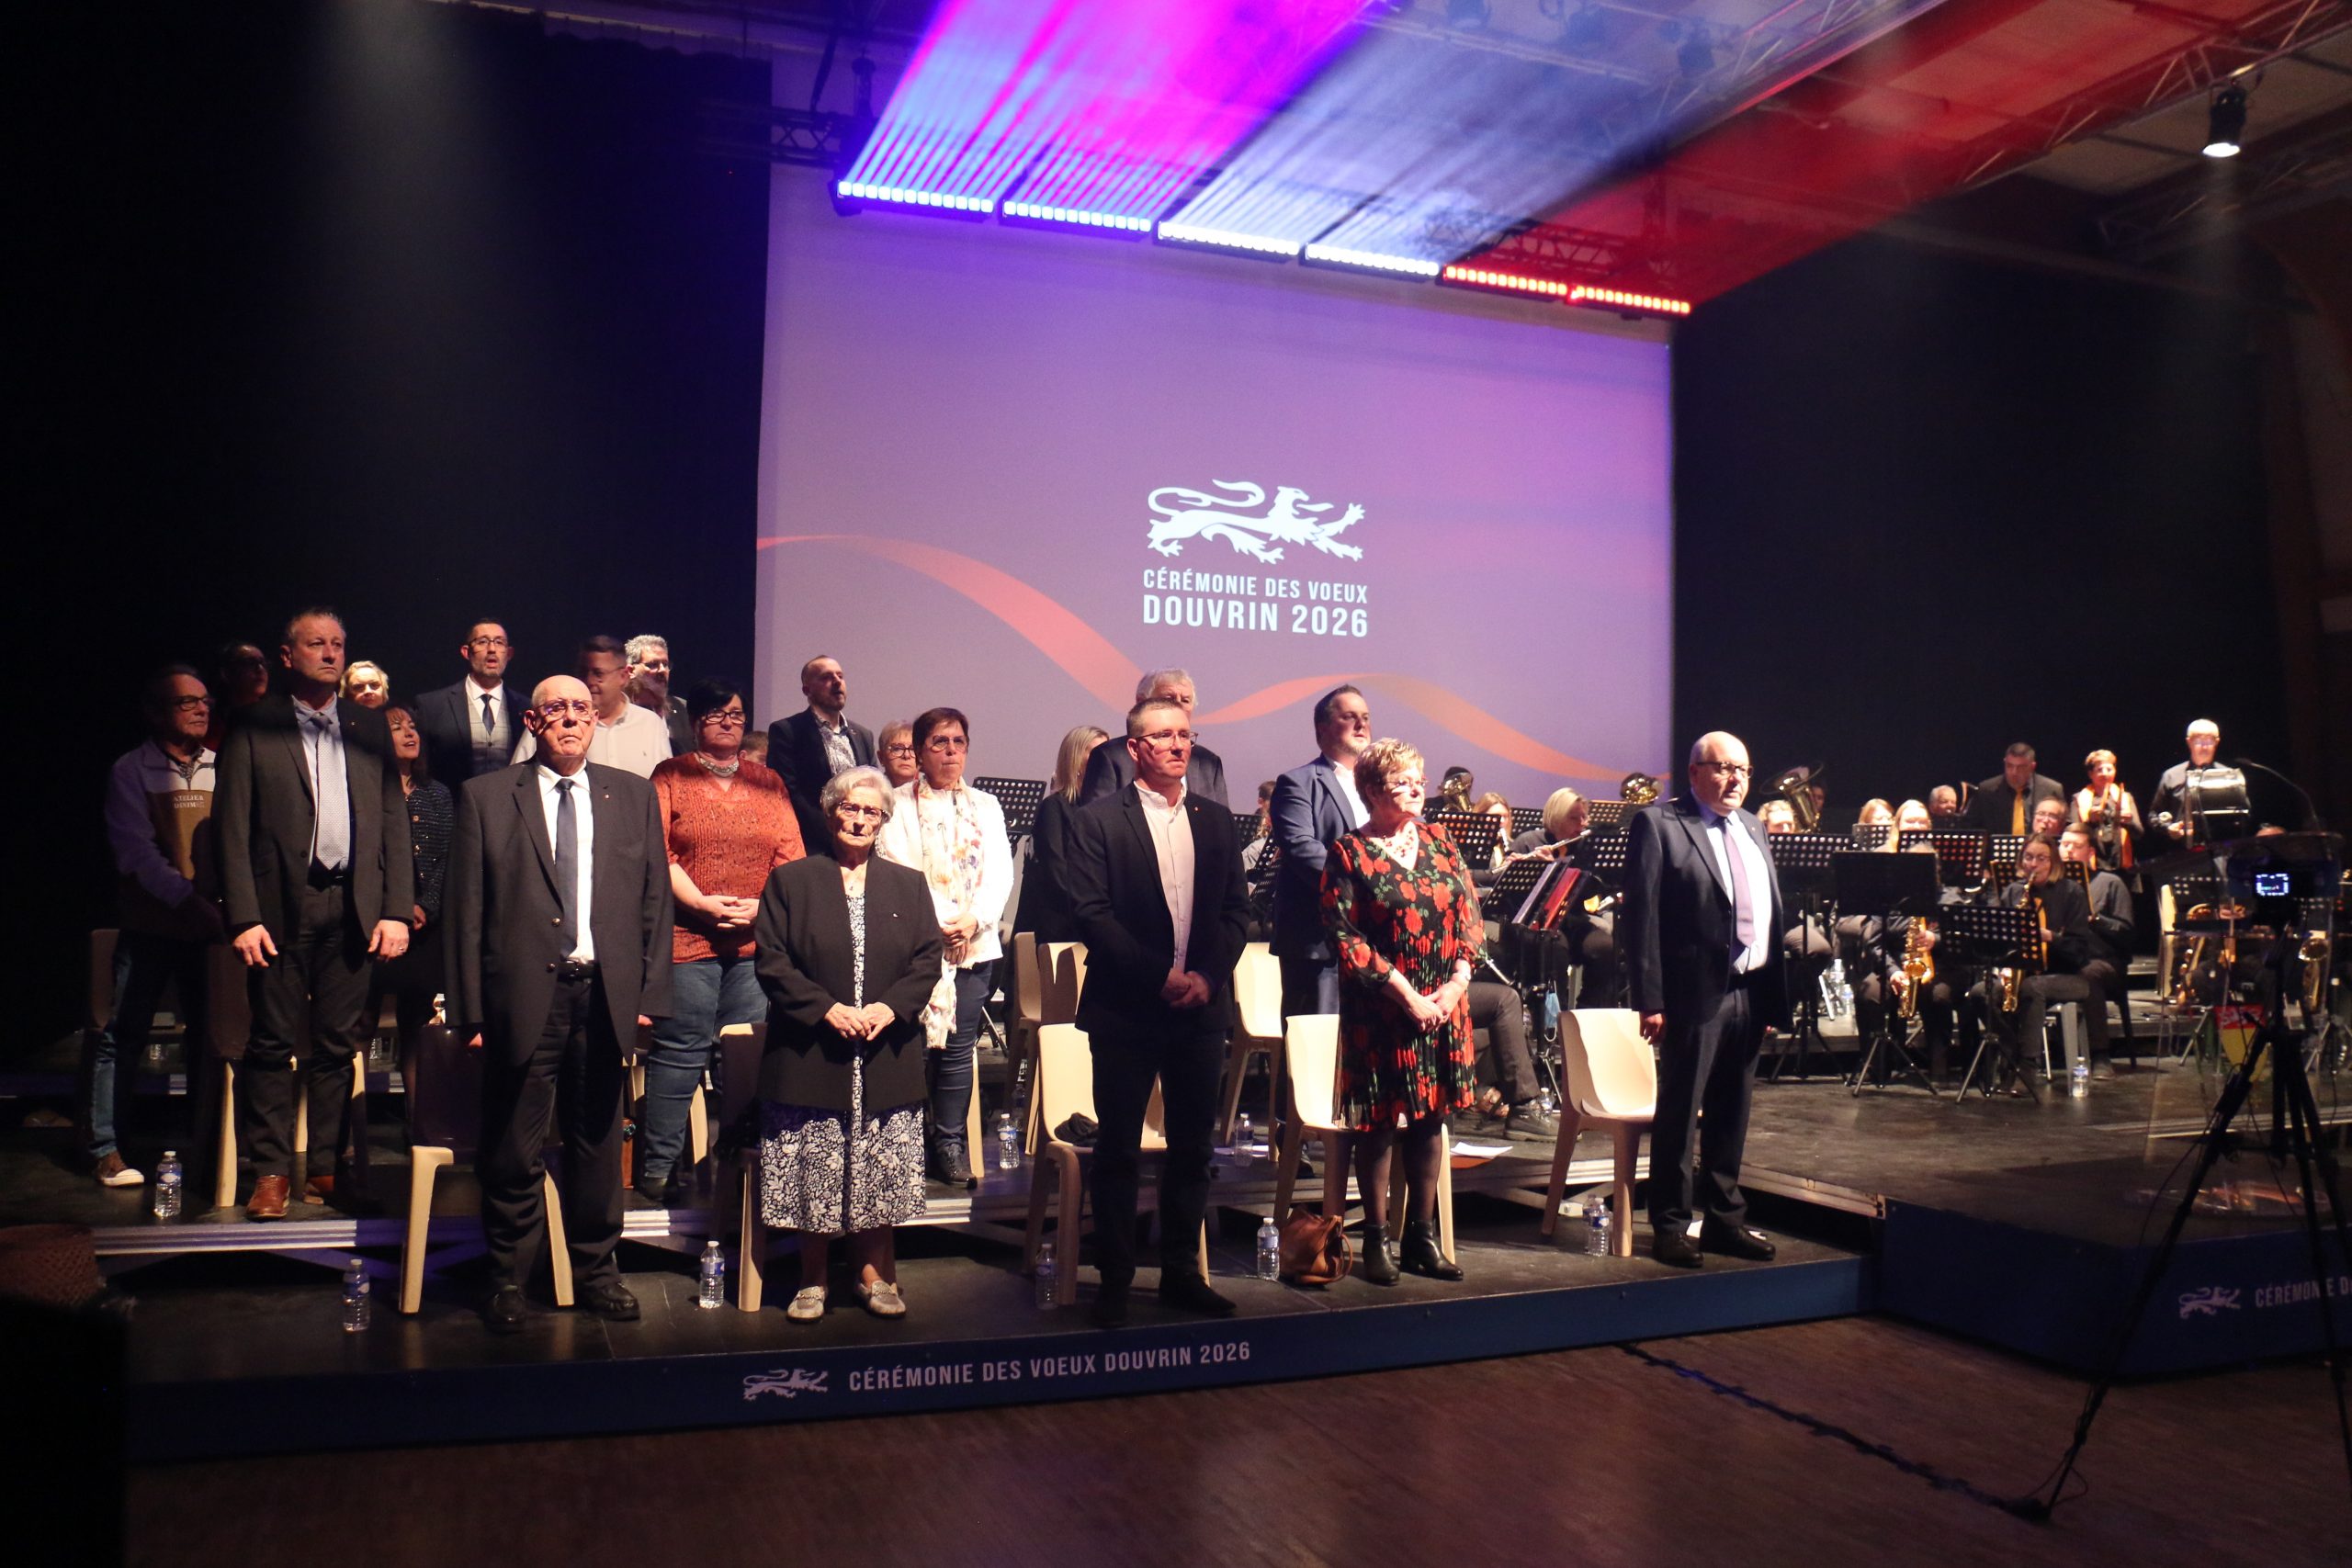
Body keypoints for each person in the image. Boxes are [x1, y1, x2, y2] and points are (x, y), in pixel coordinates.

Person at [446, 674, 673, 1333]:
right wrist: (471, 1012)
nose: (571, 718)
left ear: (595, 720)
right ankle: (506, 1277)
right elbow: (465, 912)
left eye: (581, 708)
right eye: (556, 709)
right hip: (521, 998)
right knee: (513, 1145)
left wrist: (648, 994)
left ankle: (597, 1271)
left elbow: (654, 900)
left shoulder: (632, 795)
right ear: (533, 721)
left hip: (604, 993)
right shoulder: (487, 796)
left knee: (597, 1140)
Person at [215, 609, 412, 1220]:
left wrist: (395, 909)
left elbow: (392, 820)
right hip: (280, 906)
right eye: (316, 644)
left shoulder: (366, 724)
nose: (330, 654)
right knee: (272, 1043)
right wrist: (242, 916)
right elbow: (231, 825)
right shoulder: (256, 723)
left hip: (351, 905)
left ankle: (326, 1168)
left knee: (336, 1045)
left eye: (338, 645)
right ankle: (271, 1172)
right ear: (287, 655)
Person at [1065, 695, 1250, 1326]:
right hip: (1127, 1009)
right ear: (1135, 748)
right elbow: (1092, 915)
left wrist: (1205, 977)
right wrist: (1159, 976)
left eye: (1185, 735)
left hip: (1199, 1009)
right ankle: (1115, 1280)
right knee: (1118, 1149)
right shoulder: (1098, 821)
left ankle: (1181, 1274)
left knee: (1193, 1149)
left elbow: (1236, 913)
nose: (1178, 745)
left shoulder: (1216, 820)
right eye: (1164, 736)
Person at [752, 767, 944, 1321]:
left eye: (871, 812)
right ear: (831, 811)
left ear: (883, 820)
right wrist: (825, 1010)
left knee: (877, 1172)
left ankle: (874, 1277)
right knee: (814, 1171)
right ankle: (812, 1280)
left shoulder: (908, 884)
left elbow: (927, 959)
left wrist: (890, 1008)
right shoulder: (792, 880)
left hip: (885, 1052)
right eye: (850, 808)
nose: (860, 820)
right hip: (812, 1052)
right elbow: (772, 960)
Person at [1622, 731, 1788, 1269]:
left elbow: (1766, 910)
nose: (1736, 778)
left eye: (1743, 769)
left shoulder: (1753, 826)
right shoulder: (1659, 824)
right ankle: (1670, 1225)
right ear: (1694, 772)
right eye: (1723, 767)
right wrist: (1650, 999)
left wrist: (1768, 993)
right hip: (1690, 994)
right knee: (1680, 1112)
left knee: (1731, 1112)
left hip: (1749, 990)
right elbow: (1642, 919)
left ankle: (1723, 1222)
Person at [1322, 738, 1481, 1285]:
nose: (1417, 789)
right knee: (1379, 1123)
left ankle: (1422, 1237)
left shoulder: (1441, 841)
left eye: (1419, 779)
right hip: (1383, 1009)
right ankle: (1376, 1238)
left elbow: (1469, 918)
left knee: (1431, 1118)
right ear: (1371, 790)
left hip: (1443, 1004)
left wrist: (1455, 986)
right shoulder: (1349, 852)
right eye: (1402, 782)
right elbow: (1346, 937)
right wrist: (1407, 996)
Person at [639, 680, 804, 1203]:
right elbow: (656, 852)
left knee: (741, 1055)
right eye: (716, 714)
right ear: (695, 723)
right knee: (680, 1051)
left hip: (753, 942)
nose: (729, 721)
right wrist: (702, 905)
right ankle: (657, 1169)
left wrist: (759, 909)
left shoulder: (768, 782)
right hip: (687, 937)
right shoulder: (671, 776)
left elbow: (791, 859)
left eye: (736, 714)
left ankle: (738, 1166)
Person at [91, 665, 222, 1188]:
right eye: (186, 702)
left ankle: (209, 1145)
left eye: (205, 700)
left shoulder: (222, 766)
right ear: (154, 712)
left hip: (211, 929)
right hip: (152, 926)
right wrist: (188, 901)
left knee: (212, 1039)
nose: (201, 709)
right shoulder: (131, 770)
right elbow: (135, 853)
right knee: (123, 1035)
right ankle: (106, 1148)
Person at [875, 707, 1012, 1185]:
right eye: (939, 742)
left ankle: (949, 1143)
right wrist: (940, 924)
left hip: (973, 945)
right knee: (910, 1048)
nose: (951, 751)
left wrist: (974, 920)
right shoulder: (894, 804)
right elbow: (897, 867)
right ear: (919, 751)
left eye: (958, 742)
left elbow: (1000, 871)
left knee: (957, 1050)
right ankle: (906, 1144)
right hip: (916, 946)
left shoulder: (986, 805)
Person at [369, 703, 453, 1167]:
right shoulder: (365, 789)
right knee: (357, 1025)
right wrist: (393, 909)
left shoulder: (437, 794)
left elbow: (447, 860)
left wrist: (425, 906)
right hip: (374, 926)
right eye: (396, 727)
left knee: (419, 1027)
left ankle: (421, 1125)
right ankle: (344, 1135)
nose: (409, 733)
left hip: (425, 931)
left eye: (413, 726)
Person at [1268, 684, 1372, 1015]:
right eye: (1349, 717)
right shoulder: (1298, 782)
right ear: (1322, 728)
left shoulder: (1380, 786)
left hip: (1375, 940)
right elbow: (1302, 849)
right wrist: (1368, 882)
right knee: (1316, 1041)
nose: (1361, 725)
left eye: (1365, 717)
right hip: (1318, 941)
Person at [1981, 834, 2109, 1086]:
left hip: (2070, 976)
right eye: (2029, 857)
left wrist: (2051, 937)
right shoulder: (2013, 892)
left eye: (2042, 859)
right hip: (2025, 973)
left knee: (2032, 988)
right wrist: (2003, 966)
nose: (2034, 865)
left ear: (2053, 863)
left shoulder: (2071, 892)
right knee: (1981, 994)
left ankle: (2028, 1067)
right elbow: (1998, 940)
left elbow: (2080, 950)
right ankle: (2010, 1053)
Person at [765, 655, 876, 856]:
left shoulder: (863, 735)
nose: (837, 682)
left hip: (860, 842)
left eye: (840, 676)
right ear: (807, 690)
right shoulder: (787, 731)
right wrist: (834, 830)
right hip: (813, 845)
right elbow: (788, 792)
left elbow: (874, 787)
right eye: (826, 677)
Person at [513, 636, 670, 778]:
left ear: (623, 676)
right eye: (582, 672)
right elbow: (518, 779)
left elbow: (668, 784)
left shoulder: (650, 724)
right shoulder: (552, 722)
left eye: (598, 674)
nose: (588, 681)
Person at [1078, 668, 1228, 807]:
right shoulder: (1110, 757)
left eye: (1185, 700)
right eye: (1168, 699)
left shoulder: (1208, 763)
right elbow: (1097, 820)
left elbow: (1221, 821)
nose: (1178, 707)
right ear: (1141, 702)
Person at [1012, 724, 1107, 943]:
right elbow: (1056, 874)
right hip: (1060, 930)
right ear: (1075, 759)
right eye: (1097, 752)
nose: (1105, 759)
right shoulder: (1055, 807)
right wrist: (1095, 911)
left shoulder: (1105, 811)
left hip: (1091, 927)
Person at [416, 620, 527, 785]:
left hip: (510, 799)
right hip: (453, 800)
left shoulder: (525, 708)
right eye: (482, 642)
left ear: (509, 653)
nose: (492, 649)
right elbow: (422, 768)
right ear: (466, 652)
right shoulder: (432, 706)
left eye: (499, 642)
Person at [2150, 719, 2229, 846]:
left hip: (2220, 849)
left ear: (2217, 742)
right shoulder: (2171, 776)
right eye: (2198, 740)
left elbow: (2244, 814)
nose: (2204, 746)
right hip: (2181, 851)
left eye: (2209, 740)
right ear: (2189, 742)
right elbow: (2154, 815)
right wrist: (2168, 828)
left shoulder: (2227, 776)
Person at [1964, 743, 2065, 835]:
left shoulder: (2051, 789)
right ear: (2004, 762)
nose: (2014, 772)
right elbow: (1972, 827)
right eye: (2009, 766)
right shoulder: (1986, 790)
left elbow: (2063, 827)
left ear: (2032, 766)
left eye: (2021, 767)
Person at [2071, 750, 2142, 876]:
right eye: (2099, 770)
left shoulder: (2125, 797)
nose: (2105, 774)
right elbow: (2073, 837)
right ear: (2090, 774)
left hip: (2123, 866)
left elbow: (2138, 833)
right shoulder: (2078, 799)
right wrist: (2089, 822)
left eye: (2109, 769)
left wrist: (2129, 822)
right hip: (2094, 867)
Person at [626, 634, 692, 755]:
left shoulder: (683, 708)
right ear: (631, 671)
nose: (662, 670)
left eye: (665, 664)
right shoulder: (620, 712)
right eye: (653, 664)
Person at [206, 641, 270, 749]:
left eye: (263, 663)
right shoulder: (209, 725)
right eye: (250, 663)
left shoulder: (277, 719)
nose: (260, 669)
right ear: (226, 673)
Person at [876, 720, 919, 789]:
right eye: (897, 749)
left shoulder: (934, 793)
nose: (906, 755)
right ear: (881, 757)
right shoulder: (870, 792)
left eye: (913, 749)